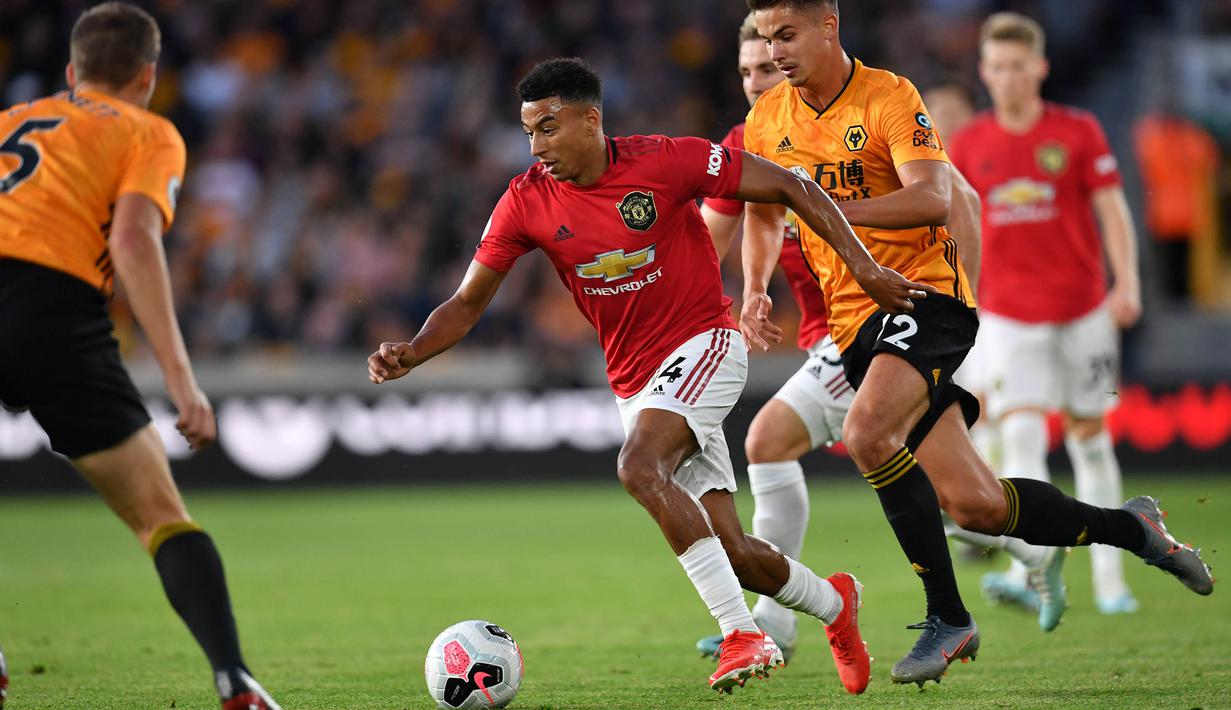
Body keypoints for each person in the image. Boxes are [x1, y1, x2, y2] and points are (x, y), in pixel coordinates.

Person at [367, 57, 937, 695]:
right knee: (737, 554)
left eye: (550, 128)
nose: (538, 147)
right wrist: (414, 349)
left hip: (707, 345)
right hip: (635, 383)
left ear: (591, 119)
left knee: (638, 469)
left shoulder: (665, 161)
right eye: (529, 132)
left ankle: (742, 635)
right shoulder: (526, 200)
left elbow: (792, 187)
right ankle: (836, 603)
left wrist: (861, 267)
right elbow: (468, 302)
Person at [740, 0, 1214, 688]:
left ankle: (946, 617)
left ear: (827, 27)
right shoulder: (768, 119)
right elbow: (761, 212)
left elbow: (931, 197)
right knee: (977, 505)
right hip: (851, 323)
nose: (775, 51)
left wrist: (823, 208)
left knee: (871, 433)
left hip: (923, 295)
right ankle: (1135, 529)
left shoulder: (887, 96)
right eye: (764, 37)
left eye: (786, 34)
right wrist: (756, 284)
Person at [0, 4, 279, 709]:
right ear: (148, 78)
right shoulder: (147, 131)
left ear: (71, 74)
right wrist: (184, 383)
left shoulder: (7, 123)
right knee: (161, 516)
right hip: (52, 310)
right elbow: (131, 242)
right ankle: (233, 681)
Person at [947, 12, 1146, 617]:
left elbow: (1112, 211)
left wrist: (1127, 282)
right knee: (1022, 435)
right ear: (985, 71)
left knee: (1089, 440)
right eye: (997, 67)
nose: (1008, 78)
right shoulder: (970, 144)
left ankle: (1111, 581)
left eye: (1018, 66)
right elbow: (955, 228)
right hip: (1007, 317)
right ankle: (1026, 569)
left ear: (1040, 67)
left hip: (1082, 309)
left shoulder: (1078, 132)